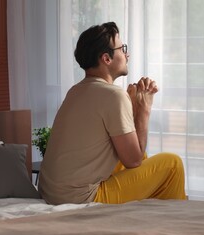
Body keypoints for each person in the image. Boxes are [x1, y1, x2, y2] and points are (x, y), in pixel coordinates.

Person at [38, 22, 186, 204]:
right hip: (80, 198)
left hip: (50, 193)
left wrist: (130, 106)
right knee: (172, 164)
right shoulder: (113, 95)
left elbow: (116, 145)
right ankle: (171, 218)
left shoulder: (75, 91)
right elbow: (133, 160)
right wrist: (144, 108)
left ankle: (152, 214)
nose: (127, 54)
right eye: (122, 49)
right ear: (106, 58)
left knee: (138, 157)